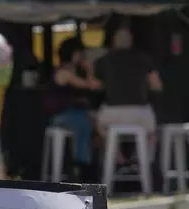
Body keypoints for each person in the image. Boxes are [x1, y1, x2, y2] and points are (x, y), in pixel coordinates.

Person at [94, 28, 163, 165]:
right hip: (140, 114)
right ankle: (141, 161)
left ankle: (118, 159)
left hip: (112, 113)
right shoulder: (144, 58)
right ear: (131, 42)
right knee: (150, 132)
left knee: (100, 128)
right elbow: (157, 85)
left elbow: (95, 86)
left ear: (114, 42)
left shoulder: (104, 60)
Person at [49, 37, 101, 181]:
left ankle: (88, 161)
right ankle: (83, 164)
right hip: (61, 116)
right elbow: (91, 85)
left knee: (93, 121)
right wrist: (90, 68)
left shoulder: (73, 71)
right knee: (84, 123)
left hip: (73, 113)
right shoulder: (64, 73)